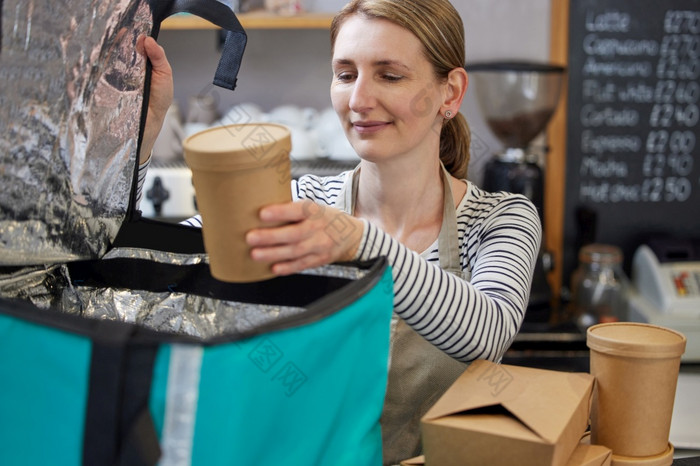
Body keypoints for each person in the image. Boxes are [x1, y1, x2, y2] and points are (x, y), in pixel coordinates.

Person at [138, 0, 541, 463]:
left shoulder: (499, 219)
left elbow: (486, 330)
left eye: (389, 75)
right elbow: (150, 265)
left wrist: (358, 241)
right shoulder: (302, 200)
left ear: (450, 93)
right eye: (346, 74)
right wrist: (139, 142)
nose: (359, 100)